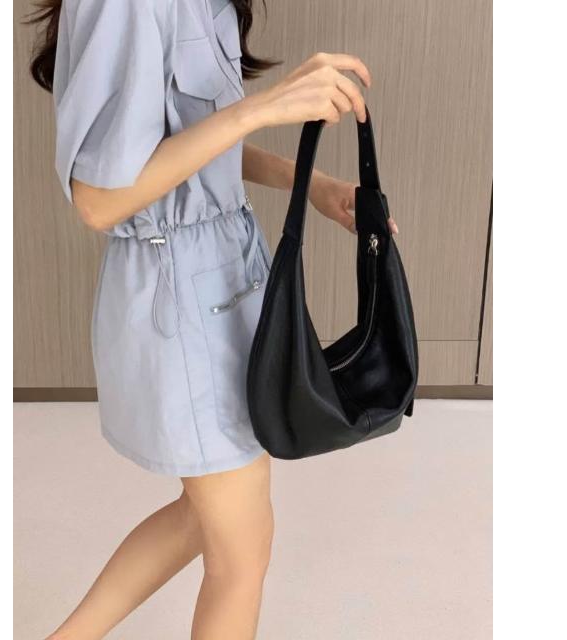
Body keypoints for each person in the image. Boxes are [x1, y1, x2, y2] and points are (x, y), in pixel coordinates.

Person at [27, 0, 397, 637]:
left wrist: (310, 183)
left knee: (206, 516)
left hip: (224, 278)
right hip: (182, 297)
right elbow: (99, 200)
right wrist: (262, 108)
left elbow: (187, 140)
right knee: (242, 551)